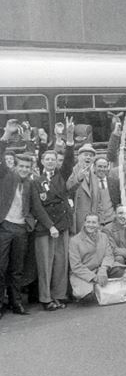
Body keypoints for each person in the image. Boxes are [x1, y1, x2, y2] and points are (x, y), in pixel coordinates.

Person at [0, 121, 57, 318]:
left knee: (17, 269)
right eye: (21, 166)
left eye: (27, 166)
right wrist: (7, 134)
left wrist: (51, 226)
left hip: (22, 229)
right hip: (5, 227)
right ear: (15, 166)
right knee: (1, 267)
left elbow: (38, 208)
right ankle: (1, 305)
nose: (24, 169)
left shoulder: (31, 184)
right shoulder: (6, 176)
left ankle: (16, 304)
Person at [32, 118, 75, 311]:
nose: (50, 162)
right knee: (45, 264)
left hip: (62, 225)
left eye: (53, 159)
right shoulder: (36, 181)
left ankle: (59, 295)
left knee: (60, 263)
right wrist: (50, 226)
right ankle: (46, 298)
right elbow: (37, 208)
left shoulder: (61, 176)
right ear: (42, 162)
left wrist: (70, 138)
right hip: (45, 228)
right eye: (47, 159)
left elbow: (68, 161)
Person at [69, 213, 123, 301]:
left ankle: (102, 286)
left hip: (101, 269)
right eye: (88, 222)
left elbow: (109, 255)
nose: (91, 225)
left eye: (94, 222)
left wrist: (103, 270)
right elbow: (76, 266)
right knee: (86, 296)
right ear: (84, 223)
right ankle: (96, 287)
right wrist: (94, 277)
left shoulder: (104, 236)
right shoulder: (74, 241)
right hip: (84, 273)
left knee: (119, 270)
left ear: (98, 224)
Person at [67, 148, 120, 233]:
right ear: (79, 157)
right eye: (86, 155)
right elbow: (69, 188)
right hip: (83, 219)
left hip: (104, 221)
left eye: (91, 156)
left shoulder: (95, 177)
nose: (88, 157)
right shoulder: (74, 171)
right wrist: (78, 178)